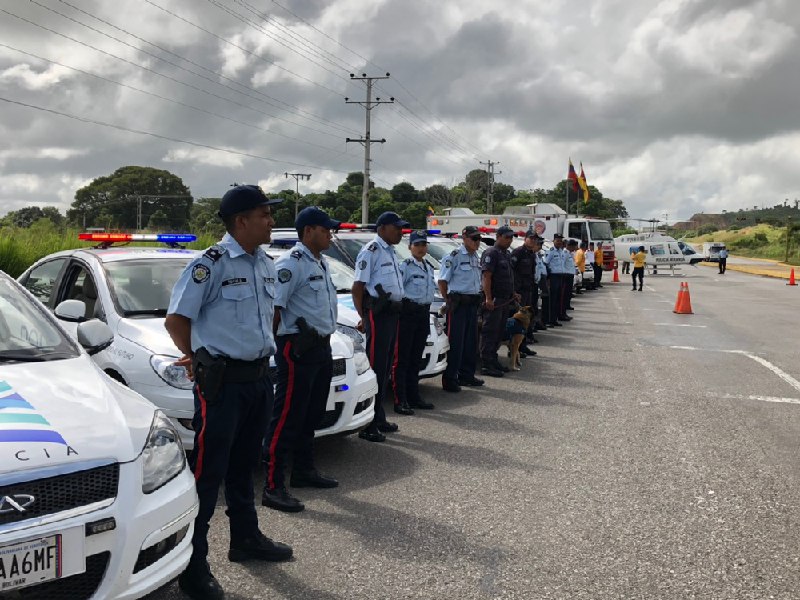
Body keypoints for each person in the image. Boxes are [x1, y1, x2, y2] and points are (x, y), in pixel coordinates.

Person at [165, 185, 292, 600]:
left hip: (258, 378)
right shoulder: (211, 264)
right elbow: (177, 319)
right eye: (264, 214)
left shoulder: (264, 263)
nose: (271, 221)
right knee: (209, 471)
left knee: (244, 464)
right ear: (241, 221)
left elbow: (267, 317)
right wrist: (197, 357)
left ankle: (245, 538)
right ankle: (193, 565)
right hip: (223, 384)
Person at [261, 207, 341, 514]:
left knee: (311, 413)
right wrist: (270, 351)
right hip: (297, 349)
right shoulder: (290, 265)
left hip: (320, 347)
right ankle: (273, 485)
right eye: (325, 229)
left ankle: (304, 470)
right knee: (286, 418)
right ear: (309, 231)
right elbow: (275, 310)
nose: (330, 234)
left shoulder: (320, 263)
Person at [352, 211, 408, 443]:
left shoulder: (391, 252)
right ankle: (369, 423)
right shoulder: (371, 251)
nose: (400, 232)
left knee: (384, 368)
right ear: (382, 228)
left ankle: (379, 416)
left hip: (392, 314)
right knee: (376, 367)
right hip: (378, 314)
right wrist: (363, 316)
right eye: (397, 228)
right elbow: (358, 286)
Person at [393, 230, 437, 414]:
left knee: (415, 358)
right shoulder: (405, 266)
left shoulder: (428, 266)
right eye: (417, 244)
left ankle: (414, 395)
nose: (421, 248)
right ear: (410, 247)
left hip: (422, 314)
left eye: (423, 244)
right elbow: (398, 291)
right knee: (402, 359)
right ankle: (400, 399)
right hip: (408, 314)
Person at [438, 225, 484, 392]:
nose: (477, 242)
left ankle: (467, 375)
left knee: (471, 342)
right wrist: (448, 300)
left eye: (479, 239)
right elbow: (442, 281)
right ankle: (450, 378)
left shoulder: (475, 256)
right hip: (458, 305)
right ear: (464, 238)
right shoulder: (454, 256)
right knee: (456, 343)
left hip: (472, 303)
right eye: (474, 238)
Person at [480, 225, 519, 376]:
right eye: (507, 237)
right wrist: (488, 298)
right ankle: (486, 363)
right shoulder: (491, 253)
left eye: (511, 237)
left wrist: (513, 292)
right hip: (494, 300)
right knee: (489, 332)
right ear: (498, 237)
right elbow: (486, 277)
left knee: (498, 332)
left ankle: (493, 360)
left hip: (505, 300)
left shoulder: (506, 254)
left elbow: (508, 277)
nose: (509, 240)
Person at [510, 229, 538, 353]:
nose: (532, 240)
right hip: (519, 291)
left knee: (527, 319)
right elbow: (511, 271)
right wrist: (514, 290)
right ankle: (515, 348)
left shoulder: (531, 253)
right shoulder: (518, 252)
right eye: (530, 238)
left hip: (528, 289)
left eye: (534, 239)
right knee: (518, 320)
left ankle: (523, 345)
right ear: (525, 238)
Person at [543, 234, 567, 327]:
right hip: (553, 277)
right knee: (552, 300)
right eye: (557, 241)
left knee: (558, 299)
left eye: (560, 241)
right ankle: (550, 320)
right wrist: (548, 278)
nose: (559, 242)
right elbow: (546, 263)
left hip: (560, 276)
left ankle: (554, 319)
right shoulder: (551, 251)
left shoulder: (561, 251)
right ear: (554, 241)